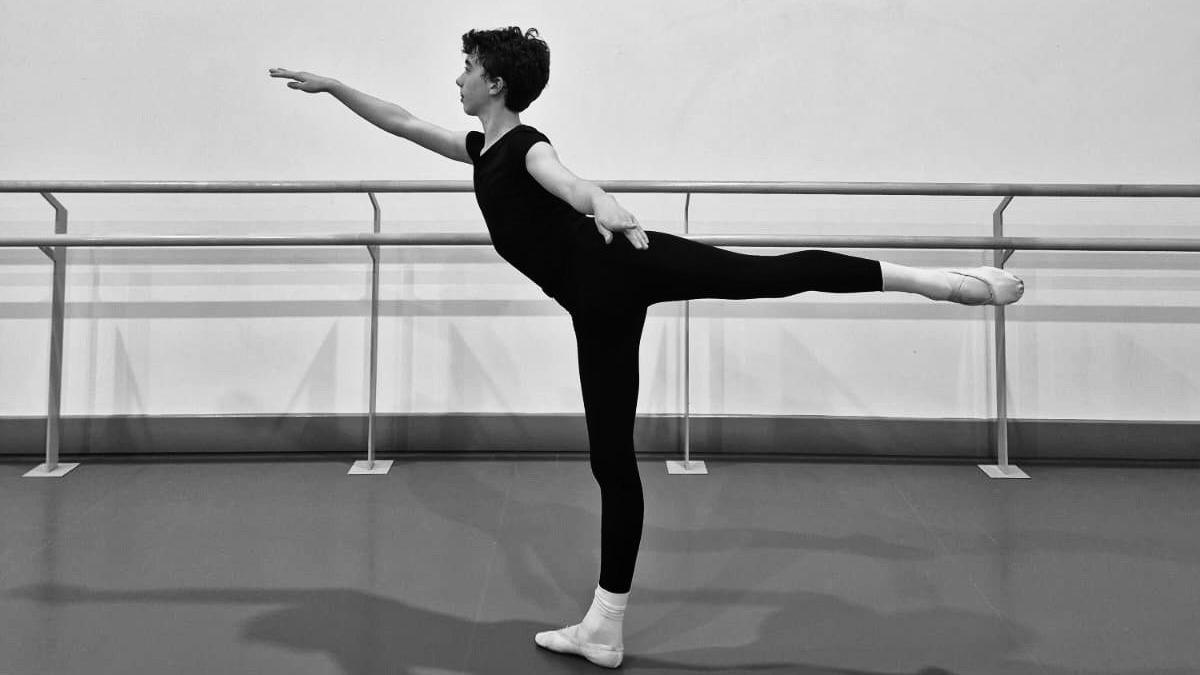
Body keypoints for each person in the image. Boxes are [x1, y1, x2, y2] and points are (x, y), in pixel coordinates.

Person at [270, 25, 1023, 669]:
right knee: (609, 460)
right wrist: (335, 86)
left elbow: (569, 182)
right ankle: (604, 624)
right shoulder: (480, 151)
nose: (457, 78)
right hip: (594, 306)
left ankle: (934, 281)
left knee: (765, 275)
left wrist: (607, 205)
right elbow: (401, 121)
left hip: (621, 262)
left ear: (495, 83)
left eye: (467, 68)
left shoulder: (526, 145)